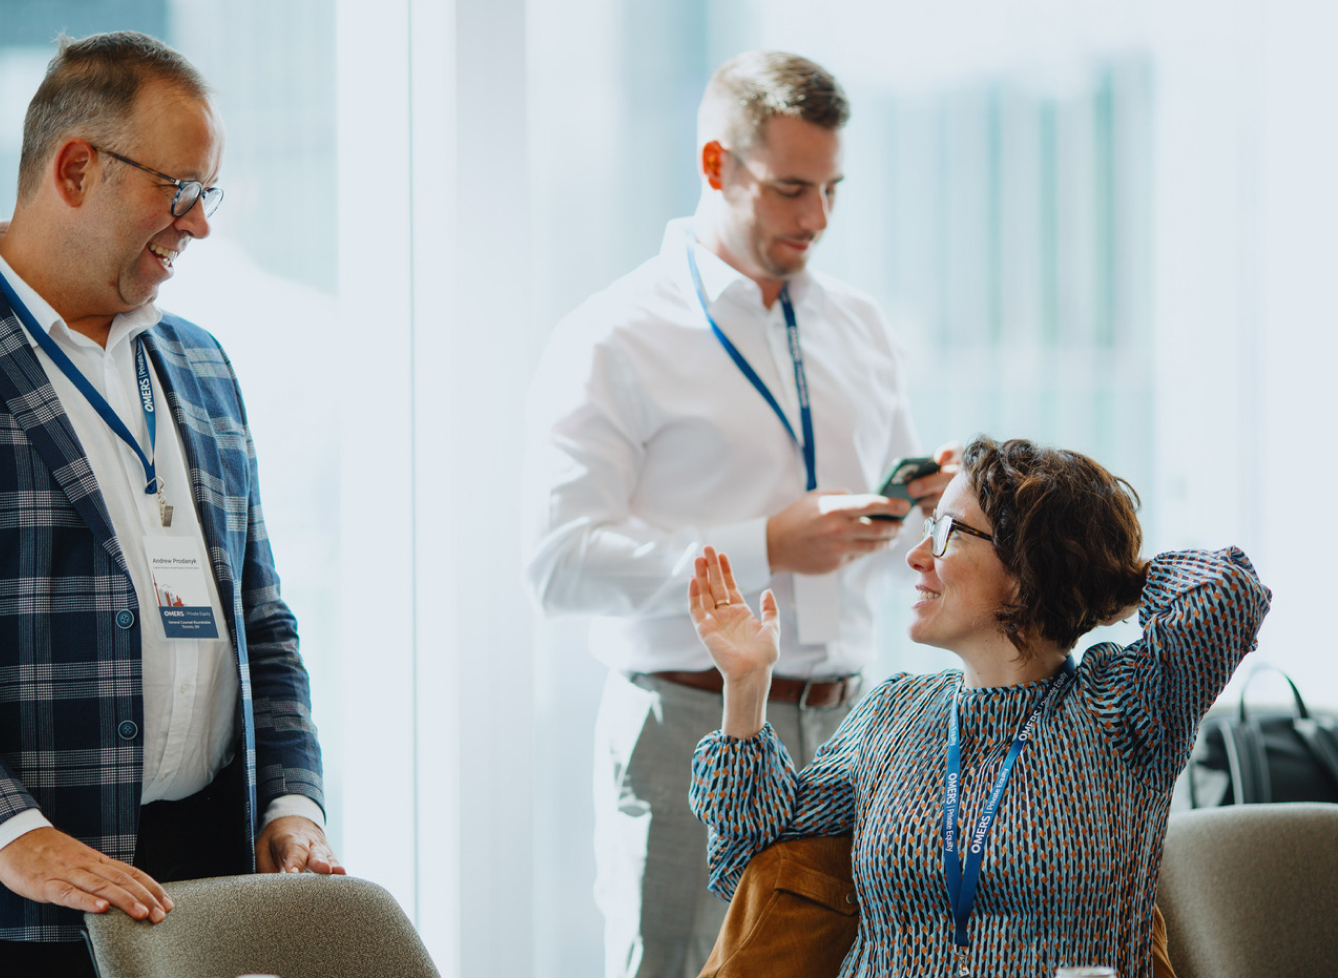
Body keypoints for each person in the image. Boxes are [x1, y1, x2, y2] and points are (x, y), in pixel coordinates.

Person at [0, 31, 339, 977]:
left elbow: (264, 617)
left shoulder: (203, 362)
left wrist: (291, 806)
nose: (200, 224)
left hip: (192, 890)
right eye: (180, 190)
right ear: (76, 167)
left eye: (208, 194)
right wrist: (10, 833)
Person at [523, 50, 956, 978]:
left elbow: (891, 560)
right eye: (791, 188)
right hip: (684, 726)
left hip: (849, 732)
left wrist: (923, 512)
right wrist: (765, 548)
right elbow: (557, 563)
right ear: (717, 166)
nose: (818, 219)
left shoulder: (863, 327)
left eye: (833, 188)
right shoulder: (612, 334)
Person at [688, 436, 1271, 976]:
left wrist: (1103, 579)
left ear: (1029, 568)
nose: (916, 555)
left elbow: (1227, 593)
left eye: (947, 532)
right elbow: (750, 857)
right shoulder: (894, 713)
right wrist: (745, 687)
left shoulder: (1120, 708)